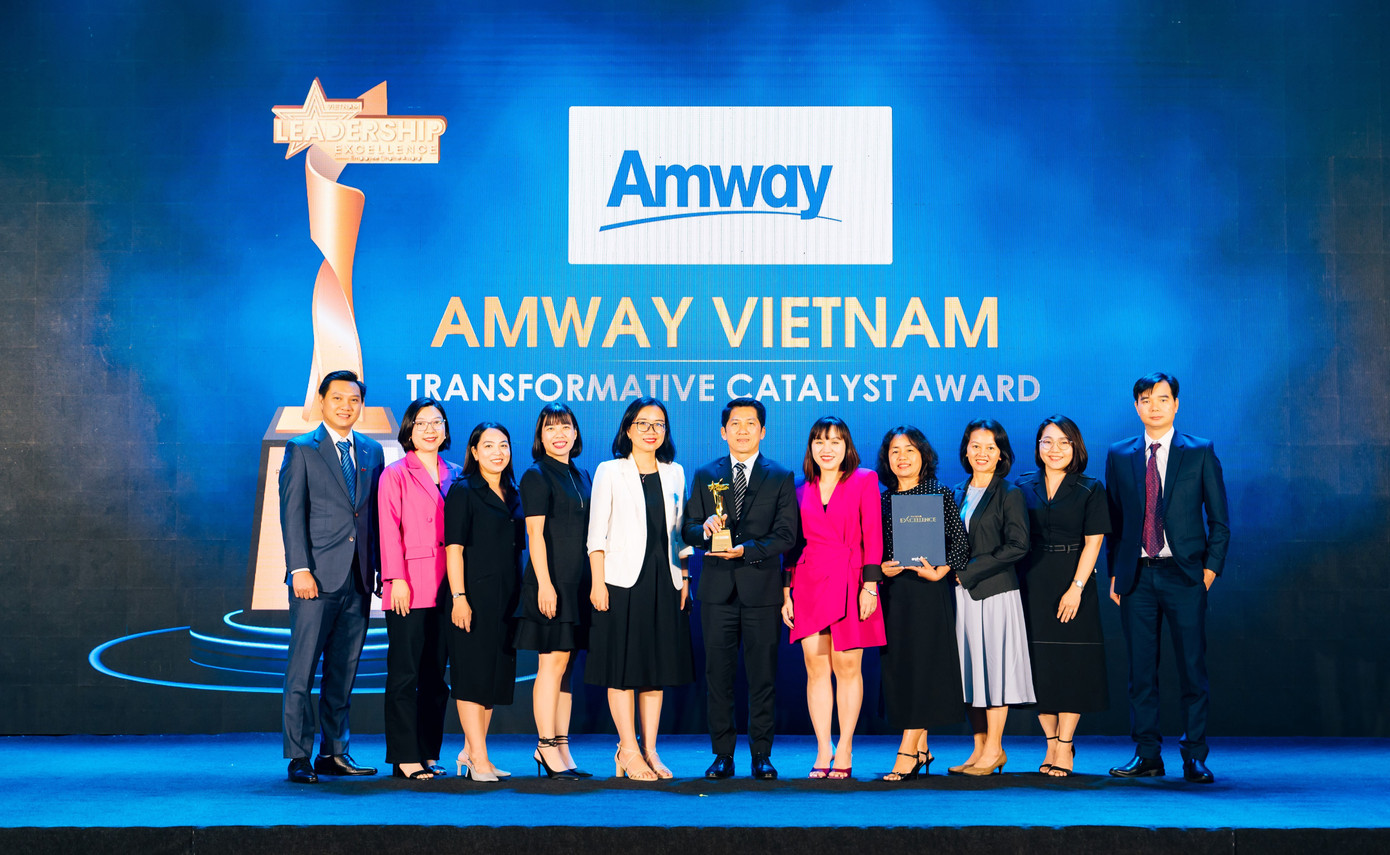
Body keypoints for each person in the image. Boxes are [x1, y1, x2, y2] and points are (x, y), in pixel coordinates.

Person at [1105, 373, 1229, 784]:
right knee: (1141, 673)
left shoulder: (1200, 451)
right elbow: (1115, 521)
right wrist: (1116, 573)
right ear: (1136, 406)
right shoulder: (1119, 454)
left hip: (1185, 575)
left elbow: (1220, 521)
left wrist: (1209, 571)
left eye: (1162, 398)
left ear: (1176, 404)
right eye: (1146, 399)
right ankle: (1147, 755)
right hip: (1136, 577)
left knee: (1192, 670)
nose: (1154, 406)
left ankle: (1194, 756)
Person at [682, 398, 798, 781]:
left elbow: (787, 535)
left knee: (763, 677)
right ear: (723, 431)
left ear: (763, 431)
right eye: (735, 423)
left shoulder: (780, 476)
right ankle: (722, 755)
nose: (743, 430)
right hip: (717, 593)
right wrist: (704, 530)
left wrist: (747, 550)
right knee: (718, 677)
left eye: (751, 423)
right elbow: (688, 529)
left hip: (761, 592)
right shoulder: (705, 474)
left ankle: (761, 754)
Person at [279, 369, 385, 784]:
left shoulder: (372, 451)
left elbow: (371, 517)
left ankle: (335, 752)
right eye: (337, 398)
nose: (346, 406)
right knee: (302, 672)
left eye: (354, 400)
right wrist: (299, 568)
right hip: (315, 579)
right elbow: (292, 513)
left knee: (343, 672)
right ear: (321, 402)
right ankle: (298, 756)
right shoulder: (301, 448)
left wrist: (378, 569)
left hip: (358, 579)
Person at [585, 397, 694, 781]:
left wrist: (685, 578)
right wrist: (597, 582)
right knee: (622, 668)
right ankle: (627, 749)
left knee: (654, 668)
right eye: (643, 423)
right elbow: (596, 533)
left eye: (658, 424)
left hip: (665, 579)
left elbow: (680, 533)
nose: (651, 431)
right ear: (628, 429)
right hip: (620, 582)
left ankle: (650, 749)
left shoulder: (675, 473)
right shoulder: (610, 471)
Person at [782, 416, 884, 780]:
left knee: (848, 667)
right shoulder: (798, 488)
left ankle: (845, 746)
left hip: (851, 580)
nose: (827, 448)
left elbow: (873, 535)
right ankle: (824, 747)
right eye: (820, 441)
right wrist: (786, 591)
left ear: (847, 447)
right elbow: (792, 544)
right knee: (816, 667)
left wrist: (870, 586)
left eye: (835, 441)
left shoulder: (864, 479)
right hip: (809, 582)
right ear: (810, 447)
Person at [1015, 415, 1110, 777]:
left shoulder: (1091, 488)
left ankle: (1066, 744)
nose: (1054, 449)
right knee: (1040, 666)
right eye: (1047, 441)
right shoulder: (1022, 485)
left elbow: (1093, 543)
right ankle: (1051, 742)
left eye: (1063, 442)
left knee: (1072, 666)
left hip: (1073, 581)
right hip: (1031, 581)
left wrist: (1076, 588)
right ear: (1038, 446)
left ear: (1075, 447)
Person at [874, 426, 967, 781]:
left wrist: (941, 571)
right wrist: (880, 568)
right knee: (903, 669)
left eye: (910, 450)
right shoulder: (881, 500)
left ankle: (907, 750)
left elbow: (960, 545)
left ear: (924, 455)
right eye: (895, 451)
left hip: (929, 593)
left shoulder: (939, 494)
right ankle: (923, 748)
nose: (902, 457)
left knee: (925, 667)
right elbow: (873, 550)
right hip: (894, 595)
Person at [377, 399, 461, 781]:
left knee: (435, 677)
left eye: (437, 422)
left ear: (445, 429)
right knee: (404, 674)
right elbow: (388, 531)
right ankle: (403, 756)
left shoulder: (456, 473)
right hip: (409, 585)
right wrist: (395, 579)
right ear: (409, 430)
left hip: (449, 586)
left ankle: (427, 752)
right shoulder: (394, 474)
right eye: (422, 423)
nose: (430, 429)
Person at [950, 418, 1034, 776]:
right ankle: (980, 747)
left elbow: (1018, 545)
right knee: (970, 672)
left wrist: (967, 571)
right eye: (975, 446)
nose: (982, 453)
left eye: (990, 447)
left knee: (994, 672)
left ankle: (996, 748)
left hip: (996, 594)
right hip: (959, 596)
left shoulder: (1009, 493)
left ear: (1001, 454)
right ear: (965, 450)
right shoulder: (955, 492)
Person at [515, 403, 592, 779]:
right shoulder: (536, 474)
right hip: (552, 583)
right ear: (540, 436)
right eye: (550, 428)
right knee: (552, 664)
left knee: (567, 666)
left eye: (565, 427)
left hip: (579, 584)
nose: (559, 434)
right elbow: (534, 534)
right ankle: (545, 746)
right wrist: (545, 584)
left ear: (575, 433)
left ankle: (561, 745)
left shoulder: (581, 474)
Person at [444, 422, 523, 782]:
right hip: (473, 595)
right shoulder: (463, 491)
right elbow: (454, 550)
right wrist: (459, 597)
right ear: (474, 452)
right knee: (472, 676)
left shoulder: (513, 492)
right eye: (488, 446)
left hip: (507, 598)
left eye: (503, 445)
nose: (497, 452)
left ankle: (474, 751)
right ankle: (477, 757)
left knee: (491, 678)